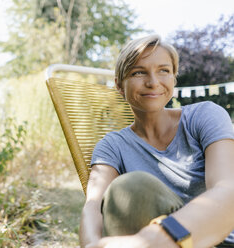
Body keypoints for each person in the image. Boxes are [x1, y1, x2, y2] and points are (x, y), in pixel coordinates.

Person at [79, 34, 234, 248]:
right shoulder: (112, 146)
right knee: (129, 189)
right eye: (139, 72)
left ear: (174, 79)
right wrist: (92, 245)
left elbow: (228, 188)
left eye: (164, 71)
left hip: (218, 239)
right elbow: (93, 206)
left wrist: (155, 239)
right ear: (119, 85)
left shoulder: (205, 116)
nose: (153, 82)